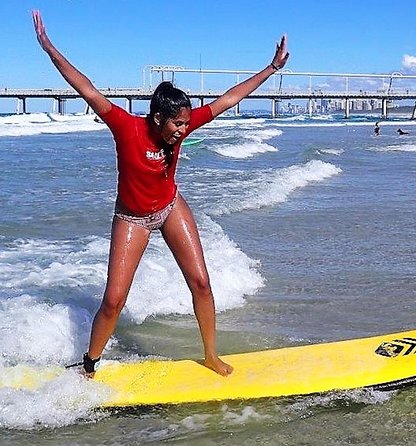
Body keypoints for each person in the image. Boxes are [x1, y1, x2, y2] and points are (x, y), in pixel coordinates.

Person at [32, 10, 289, 377]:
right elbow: (85, 87)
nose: (184, 130)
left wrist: (272, 68)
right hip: (132, 217)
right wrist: (48, 48)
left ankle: (211, 355)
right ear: (157, 118)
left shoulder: (182, 128)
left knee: (200, 281)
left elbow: (230, 98)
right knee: (114, 300)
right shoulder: (126, 127)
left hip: (170, 207)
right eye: (178, 123)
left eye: (187, 122)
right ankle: (89, 364)